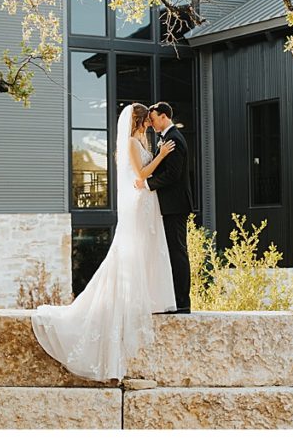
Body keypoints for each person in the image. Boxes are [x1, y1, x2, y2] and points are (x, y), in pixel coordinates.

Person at [31, 103, 176, 381]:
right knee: (130, 251)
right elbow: (141, 174)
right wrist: (161, 156)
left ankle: (143, 295)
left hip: (146, 202)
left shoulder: (141, 140)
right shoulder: (132, 144)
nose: (149, 123)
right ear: (139, 120)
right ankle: (124, 298)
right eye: (146, 119)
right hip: (138, 204)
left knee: (144, 250)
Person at [137, 101, 195, 313]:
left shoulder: (174, 140)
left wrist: (147, 184)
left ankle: (183, 302)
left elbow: (173, 174)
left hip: (176, 205)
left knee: (178, 252)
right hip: (169, 204)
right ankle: (173, 299)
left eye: (152, 119)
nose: (151, 124)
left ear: (164, 117)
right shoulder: (166, 139)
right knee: (171, 252)